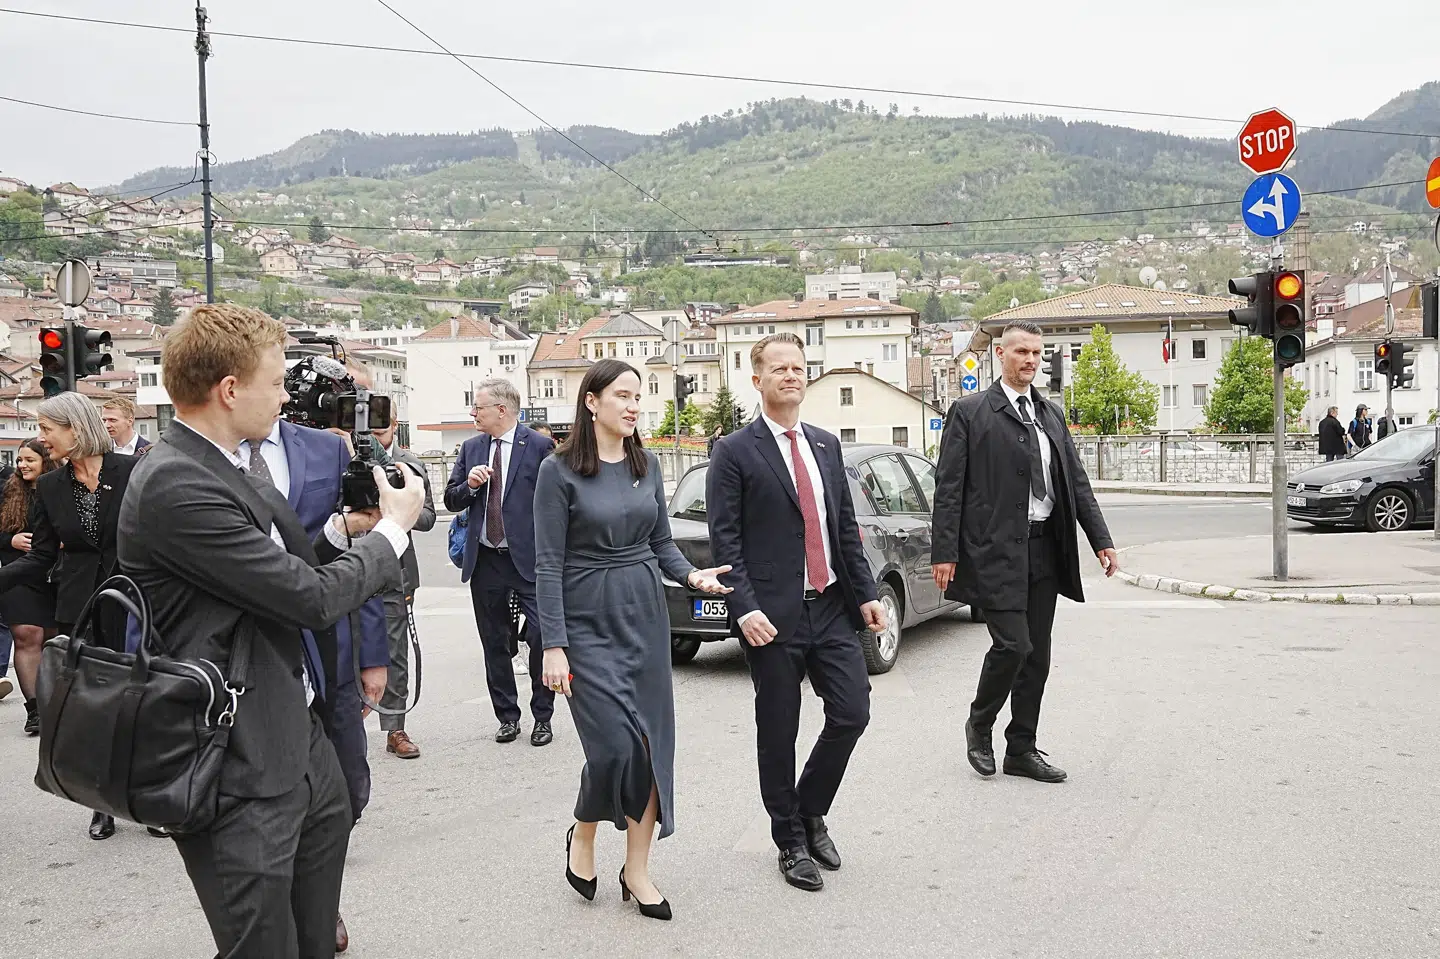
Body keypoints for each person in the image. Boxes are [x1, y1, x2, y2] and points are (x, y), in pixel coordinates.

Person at [117, 303, 423, 959]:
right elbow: (307, 598)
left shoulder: (218, 464)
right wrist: (394, 531)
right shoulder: (176, 481)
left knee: (313, 936)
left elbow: (282, 568)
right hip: (233, 761)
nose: (287, 397)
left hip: (291, 737)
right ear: (230, 389)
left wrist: (344, 532)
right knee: (262, 944)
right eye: (277, 382)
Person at [534, 359, 730, 920]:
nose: (633, 406)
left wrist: (692, 577)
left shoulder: (648, 465)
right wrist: (553, 644)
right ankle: (584, 829)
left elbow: (662, 543)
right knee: (614, 747)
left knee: (648, 746)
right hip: (585, 620)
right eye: (622, 395)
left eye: (638, 397)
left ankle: (637, 870)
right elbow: (547, 562)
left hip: (643, 616)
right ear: (591, 401)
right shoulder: (557, 471)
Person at [706, 333, 887, 893]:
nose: (791, 375)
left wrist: (865, 593)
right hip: (772, 616)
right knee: (778, 729)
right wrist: (744, 609)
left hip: (830, 605)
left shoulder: (826, 445)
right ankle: (788, 839)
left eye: (799, 367)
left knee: (852, 712)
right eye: (779, 368)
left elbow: (844, 529)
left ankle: (810, 810)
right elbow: (726, 541)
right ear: (756, 379)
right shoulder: (734, 451)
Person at [930, 320, 1118, 787]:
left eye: (1036, 353)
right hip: (994, 551)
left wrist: (1101, 539)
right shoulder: (970, 412)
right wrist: (944, 551)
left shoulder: (1050, 414)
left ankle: (1021, 748)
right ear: (1001, 354)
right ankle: (980, 724)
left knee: (1038, 655)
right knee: (1013, 645)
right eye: (1021, 352)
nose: (1030, 360)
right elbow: (948, 488)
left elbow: (1076, 482)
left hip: (1045, 548)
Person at [0, 392, 138, 839]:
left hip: (137, 603)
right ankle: (102, 802)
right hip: (80, 607)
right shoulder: (50, 487)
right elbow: (41, 556)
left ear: (75, 428)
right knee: (92, 705)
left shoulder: (133, 471)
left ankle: (147, 793)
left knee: (139, 701)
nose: (40, 438)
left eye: (46, 429)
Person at [444, 379, 557, 746]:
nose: (473, 413)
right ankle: (507, 717)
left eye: (478, 407)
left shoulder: (539, 446)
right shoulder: (471, 448)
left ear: (502, 410)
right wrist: (470, 486)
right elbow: (451, 500)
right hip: (486, 560)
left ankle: (543, 716)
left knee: (541, 636)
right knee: (494, 641)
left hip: (529, 561)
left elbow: (557, 501)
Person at [372, 411, 436, 759]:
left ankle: (395, 728)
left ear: (395, 426)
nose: (374, 432)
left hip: (395, 571)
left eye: (382, 425)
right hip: (347, 566)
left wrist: (398, 512)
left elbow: (427, 518)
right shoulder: (344, 457)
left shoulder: (409, 464)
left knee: (396, 652)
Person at [0, 438, 58, 734]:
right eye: (20, 460)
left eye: (29, 460)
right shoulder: (7, 490)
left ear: (45, 461)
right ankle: (34, 709)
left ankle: (55, 706)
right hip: (16, 574)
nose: (22, 465)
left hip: (56, 575)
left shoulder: (60, 488)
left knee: (52, 639)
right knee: (26, 635)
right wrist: (9, 539)